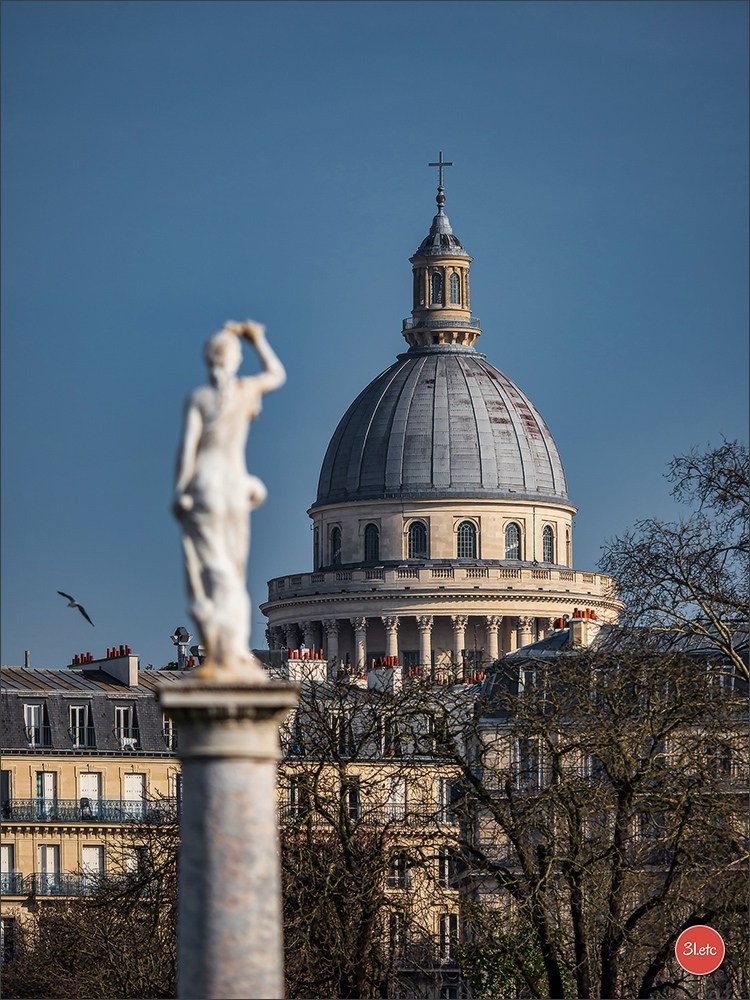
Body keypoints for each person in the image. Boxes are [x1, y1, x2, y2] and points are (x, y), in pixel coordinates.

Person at [173, 320, 286, 676]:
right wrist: (259, 339)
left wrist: (179, 491)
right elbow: (276, 374)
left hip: (208, 483)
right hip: (234, 483)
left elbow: (187, 449)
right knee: (231, 572)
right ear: (235, 358)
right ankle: (229, 647)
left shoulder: (202, 398)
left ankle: (223, 646)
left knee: (216, 571)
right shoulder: (244, 390)